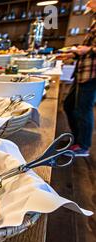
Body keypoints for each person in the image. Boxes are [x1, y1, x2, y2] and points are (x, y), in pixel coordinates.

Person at [58, 0, 96, 157]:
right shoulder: (94, 21)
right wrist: (71, 53)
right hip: (81, 72)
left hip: (91, 73)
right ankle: (76, 139)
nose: (88, 4)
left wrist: (87, 49)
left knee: (83, 109)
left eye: (90, 2)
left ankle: (83, 146)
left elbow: (89, 49)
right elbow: (86, 50)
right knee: (68, 105)